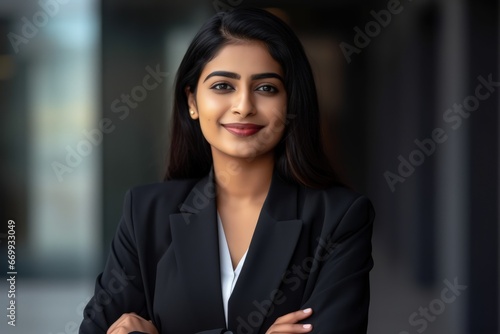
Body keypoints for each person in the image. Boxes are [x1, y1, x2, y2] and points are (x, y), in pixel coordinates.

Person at [79, 7, 374, 334]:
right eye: (222, 86)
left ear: (291, 103)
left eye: (266, 88)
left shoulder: (340, 218)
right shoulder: (145, 213)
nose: (244, 105)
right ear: (192, 101)